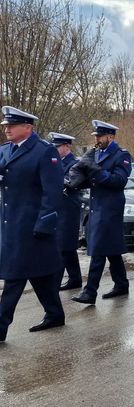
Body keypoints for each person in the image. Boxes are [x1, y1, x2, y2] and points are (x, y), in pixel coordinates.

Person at [0, 106, 65, 342]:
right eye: (5, 126)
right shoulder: (5, 151)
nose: (6, 129)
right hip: (11, 223)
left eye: (11, 125)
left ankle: (1, 326)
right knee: (40, 276)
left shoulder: (44, 152)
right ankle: (55, 313)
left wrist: (45, 224)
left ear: (27, 127)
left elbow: (53, 192)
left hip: (31, 226)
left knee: (14, 276)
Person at [71, 120, 131, 305]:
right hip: (97, 205)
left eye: (100, 136)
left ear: (110, 137)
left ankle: (90, 292)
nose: (96, 139)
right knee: (111, 249)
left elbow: (119, 181)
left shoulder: (122, 155)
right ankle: (121, 284)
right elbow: (91, 178)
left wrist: (95, 171)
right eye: (95, 136)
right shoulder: (96, 154)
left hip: (110, 207)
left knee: (99, 248)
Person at [49, 132, 83, 290]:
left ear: (67, 146)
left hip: (68, 208)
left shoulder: (75, 163)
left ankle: (54, 283)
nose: (55, 149)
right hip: (57, 207)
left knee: (63, 245)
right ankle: (75, 278)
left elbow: (72, 183)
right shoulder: (55, 162)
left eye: (58, 146)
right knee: (67, 247)